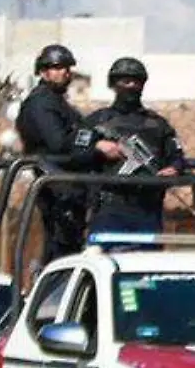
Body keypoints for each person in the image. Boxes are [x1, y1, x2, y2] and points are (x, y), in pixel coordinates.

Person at [15, 43, 124, 263]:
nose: (64, 72)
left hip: (69, 185)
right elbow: (58, 143)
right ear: (43, 72)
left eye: (66, 67)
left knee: (70, 246)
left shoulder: (57, 103)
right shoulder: (40, 103)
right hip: (57, 184)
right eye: (56, 67)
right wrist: (96, 146)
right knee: (60, 250)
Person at [78, 56, 189, 238]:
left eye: (136, 82)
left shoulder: (158, 125)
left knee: (145, 263)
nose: (131, 86)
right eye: (125, 81)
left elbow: (176, 156)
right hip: (109, 207)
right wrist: (98, 147)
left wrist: (173, 169)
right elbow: (76, 154)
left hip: (147, 209)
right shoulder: (97, 121)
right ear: (114, 84)